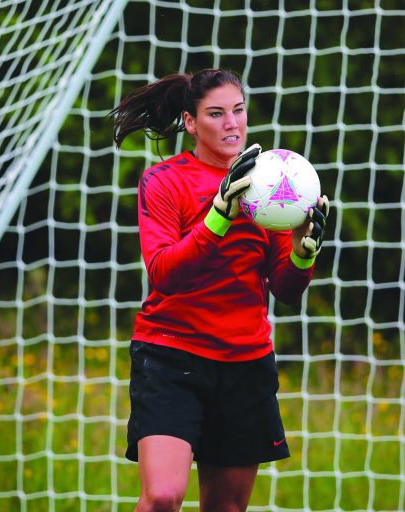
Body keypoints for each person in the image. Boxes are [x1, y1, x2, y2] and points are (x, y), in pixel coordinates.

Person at [109, 68, 330, 511]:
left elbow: (284, 288)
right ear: (191, 123)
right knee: (162, 497)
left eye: (238, 110)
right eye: (216, 113)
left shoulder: (268, 185)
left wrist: (303, 253)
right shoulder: (164, 181)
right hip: (171, 356)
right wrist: (219, 215)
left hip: (244, 363)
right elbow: (164, 274)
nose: (232, 123)